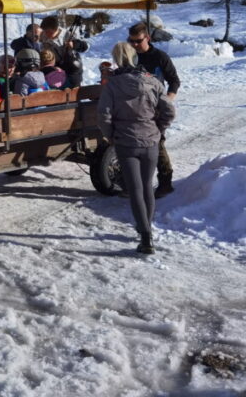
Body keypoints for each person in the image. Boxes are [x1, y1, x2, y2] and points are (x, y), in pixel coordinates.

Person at [97, 41, 176, 255]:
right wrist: (159, 128)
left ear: (115, 59)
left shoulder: (112, 85)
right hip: (150, 140)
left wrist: (110, 135)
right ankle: (146, 229)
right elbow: (169, 110)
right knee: (147, 187)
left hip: (125, 142)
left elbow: (103, 115)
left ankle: (146, 235)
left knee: (135, 190)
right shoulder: (151, 81)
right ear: (135, 57)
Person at [128, 21, 181, 197]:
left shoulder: (160, 56)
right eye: (131, 41)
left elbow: (174, 80)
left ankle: (166, 182)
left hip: (155, 106)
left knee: (157, 143)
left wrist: (167, 100)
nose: (135, 44)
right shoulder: (131, 56)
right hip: (134, 105)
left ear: (148, 38)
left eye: (138, 41)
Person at [39, 14, 88, 88]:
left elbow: (86, 47)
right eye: (44, 31)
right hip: (56, 71)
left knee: (73, 91)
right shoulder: (44, 37)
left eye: (48, 31)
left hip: (72, 69)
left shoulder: (68, 34)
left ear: (55, 29)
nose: (46, 34)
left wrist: (74, 44)